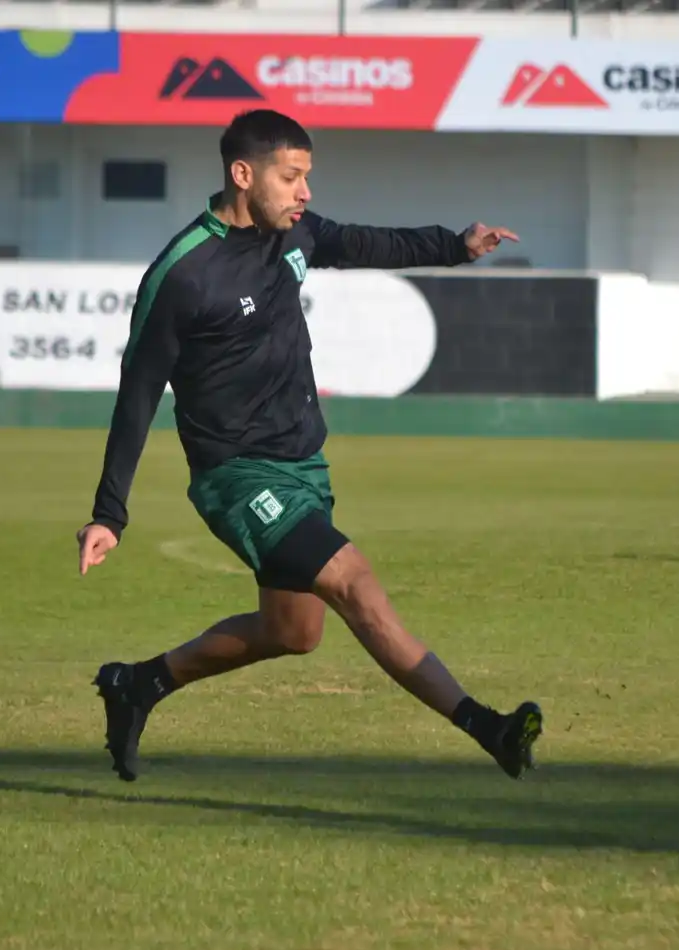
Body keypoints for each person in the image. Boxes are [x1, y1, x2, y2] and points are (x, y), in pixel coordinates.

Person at [75, 109, 543, 782]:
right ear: (243, 175)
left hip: (304, 469)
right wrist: (109, 513)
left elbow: (367, 242)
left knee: (295, 632)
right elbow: (138, 392)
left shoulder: (294, 236)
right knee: (354, 583)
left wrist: (456, 244)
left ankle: (137, 684)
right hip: (238, 479)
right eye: (291, 177)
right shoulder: (182, 275)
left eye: (307, 178)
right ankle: (488, 727)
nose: (305, 193)